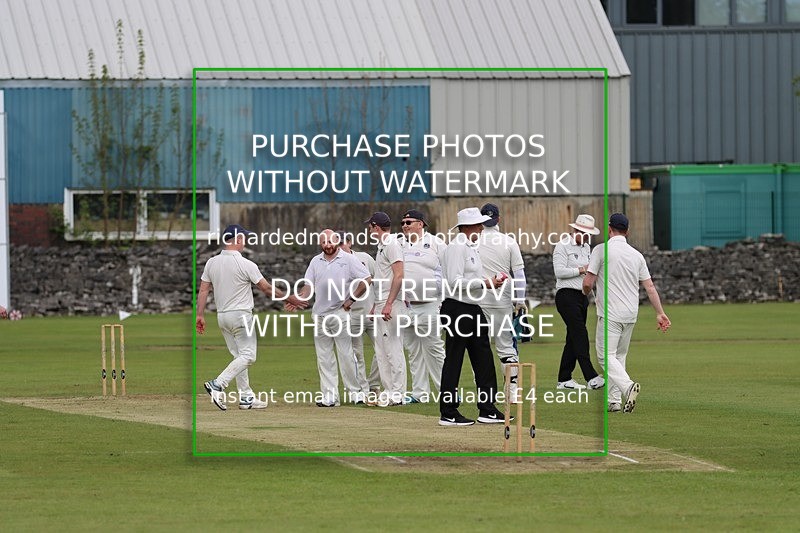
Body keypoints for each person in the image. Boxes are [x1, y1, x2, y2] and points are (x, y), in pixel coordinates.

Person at [197, 224, 308, 411]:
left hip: (222, 317)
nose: (246, 242)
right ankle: (218, 384)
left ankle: (246, 397)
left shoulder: (211, 262)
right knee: (248, 356)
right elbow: (266, 288)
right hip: (241, 316)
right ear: (238, 239)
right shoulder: (246, 264)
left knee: (238, 356)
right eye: (245, 238)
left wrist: (200, 314)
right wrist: (291, 299)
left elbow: (203, 289)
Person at [583, 213, 671, 413]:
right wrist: (660, 313)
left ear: (609, 229)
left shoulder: (601, 250)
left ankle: (627, 386)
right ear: (627, 231)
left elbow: (588, 282)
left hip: (611, 313)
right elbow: (649, 287)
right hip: (631, 314)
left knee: (605, 357)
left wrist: (585, 293)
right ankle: (613, 401)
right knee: (619, 356)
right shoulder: (636, 255)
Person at [439, 207, 506, 426]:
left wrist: (490, 281)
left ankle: (487, 409)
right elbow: (454, 282)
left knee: (484, 359)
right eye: (478, 225)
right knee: (454, 360)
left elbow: (471, 278)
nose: (482, 228)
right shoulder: (457, 247)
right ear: (468, 227)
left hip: (472, 307)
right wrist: (485, 283)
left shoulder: (470, 246)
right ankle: (448, 412)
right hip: (456, 308)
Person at [295, 229, 372, 407]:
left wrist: (351, 299)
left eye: (330, 242)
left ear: (337, 241)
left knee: (346, 354)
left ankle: (356, 393)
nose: (328, 245)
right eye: (324, 242)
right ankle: (330, 397)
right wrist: (300, 298)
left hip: (340, 313)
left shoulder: (348, 259)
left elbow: (366, 278)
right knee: (324, 357)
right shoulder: (315, 261)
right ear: (320, 243)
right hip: (319, 315)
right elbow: (308, 285)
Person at [476, 203, 527, 396]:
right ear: (498, 219)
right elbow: (520, 275)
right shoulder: (509, 241)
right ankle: (512, 391)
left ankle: (485, 392)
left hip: (478, 299)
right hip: (503, 300)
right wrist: (520, 301)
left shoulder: (472, 241)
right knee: (506, 345)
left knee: (480, 347)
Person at [398, 209, 447, 404]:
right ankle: (419, 393)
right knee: (414, 351)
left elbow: (448, 271)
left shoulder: (436, 243)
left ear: (421, 224)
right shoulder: (399, 244)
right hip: (407, 305)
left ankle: (446, 391)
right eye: (402, 223)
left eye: (408, 222)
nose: (404, 226)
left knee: (435, 349)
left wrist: (443, 299)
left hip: (430, 304)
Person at [553, 214, 605, 390]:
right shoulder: (562, 246)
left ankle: (564, 378)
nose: (584, 236)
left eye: (587, 233)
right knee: (580, 334)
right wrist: (581, 269)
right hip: (566, 296)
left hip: (582, 296)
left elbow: (591, 276)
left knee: (573, 337)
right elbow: (559, 271)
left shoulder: (587, 247)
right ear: (574, 230)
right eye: (582, 232)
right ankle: (590, 376)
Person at [365, 212, 407, 406]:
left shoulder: (392, 244)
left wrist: (389, 303)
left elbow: (398, 275)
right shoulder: (382, 245)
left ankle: (398, 393)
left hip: (393, 304)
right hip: (382, 303)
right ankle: (389, 392)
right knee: (381, 352)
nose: (369, 230)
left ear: (376, 227)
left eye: (370, 227)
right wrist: (376, 305)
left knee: (393, 349)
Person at [338, 231, 378, 396]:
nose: (339, 247)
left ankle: (374, 385)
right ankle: (363, 390)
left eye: (341, 243)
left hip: (372, 312)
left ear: (349, 242)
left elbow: (379, 281)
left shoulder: (365, 258)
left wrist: (378, 305)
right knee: (357, 355)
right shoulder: (334, 263)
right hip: (351, 316)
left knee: (383, 350)